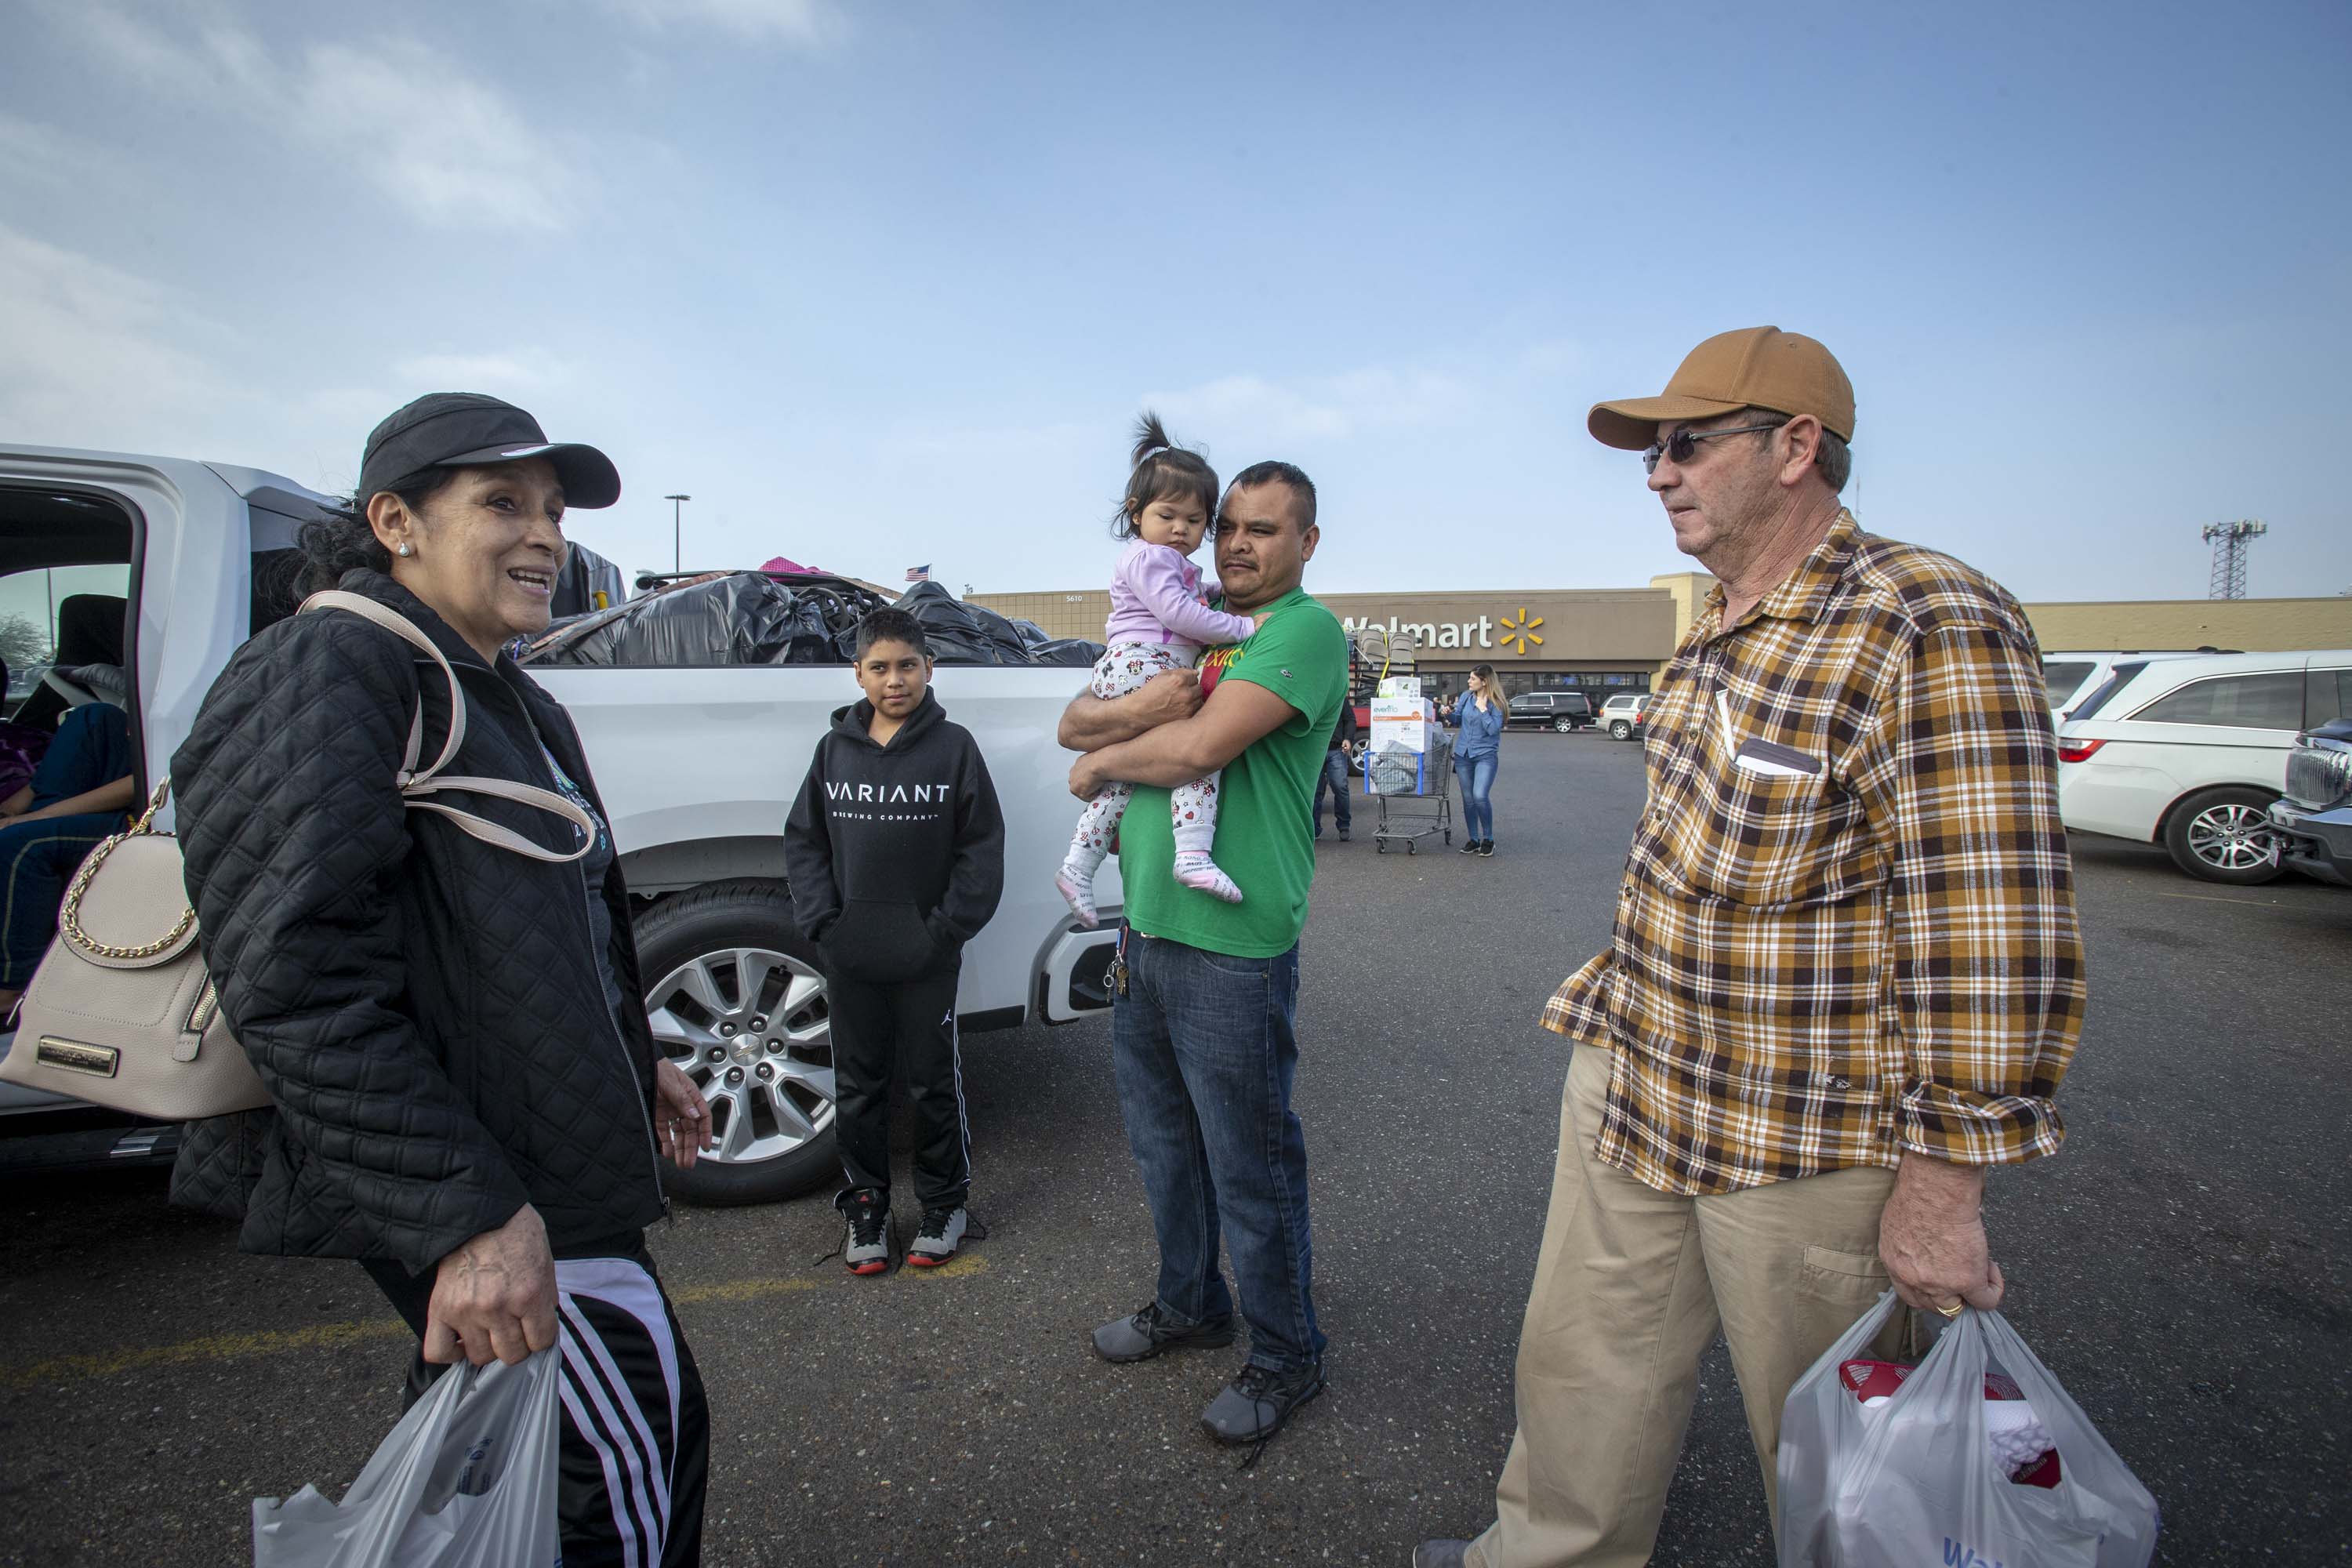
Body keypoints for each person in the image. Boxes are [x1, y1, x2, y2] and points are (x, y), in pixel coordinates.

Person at [1417, 328, 2085, 1568]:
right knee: (1581, 1377)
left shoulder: (1922, 616)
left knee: (1841, 1451)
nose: (1658, 473)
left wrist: (1944, 1186)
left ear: (1794, 449)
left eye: (1686, 444)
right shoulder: (1725, 620)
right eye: (1652, 451)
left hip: (1808, 1134)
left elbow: (1990, 928)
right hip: (1638, 1085)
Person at [170, 393, 716, 1568]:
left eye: (556, 513)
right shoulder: (335, 666)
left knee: (512, 1473)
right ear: (396, 523)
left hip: (542, 1154)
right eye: (503, 504)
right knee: (619, 1466)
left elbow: (522, 930)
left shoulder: (500, 689)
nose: (546, 537)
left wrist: (638, 1059)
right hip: (501, 1183)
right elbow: (297, 981)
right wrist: (465, 1218)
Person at [1058, 461, 1346, 1452]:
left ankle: (1285, 1352)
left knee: (1250, 1165)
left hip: (1234, 947)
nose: (1236, 544)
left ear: (1307, 541)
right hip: (1146, 929)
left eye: (1263, 529)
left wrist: (1101, 760)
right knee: (1164, 1148)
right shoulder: (1189, 615)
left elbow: (1191, 752)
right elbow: (1072, 717)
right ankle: (1189, 1303)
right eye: (1227, 526)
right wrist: (1114, 730)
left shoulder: (1300, 631)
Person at [784, 607, 1006, 1275]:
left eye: (907, 665)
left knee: (932, 1082)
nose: (894, 680)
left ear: (928, 668)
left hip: (926, 957)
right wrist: (826, 925)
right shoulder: (833, 752)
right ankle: (866, 1207)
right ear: (858, 674)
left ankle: (944, 1204)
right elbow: (805, 844)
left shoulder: (955, 747)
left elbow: (981, 850)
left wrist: (942, 933)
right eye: (878, 668)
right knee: (857, 1086)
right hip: (852, 955)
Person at [1055, 415, 1261, 927]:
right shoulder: (1149, 559)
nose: (1180, 530)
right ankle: (1192, 854)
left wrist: (1214, 595)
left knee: (1121, 781)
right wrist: (1241, 628)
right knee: (1194, 752)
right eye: (1168, 515)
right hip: (1143, 666)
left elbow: (1191, 598)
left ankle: (1077, 865)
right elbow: (1178, 615)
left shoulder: (1167, 563)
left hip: (1138, 668)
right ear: (1136, 512)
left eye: (1194, 522)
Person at [0, 701, 138, 1018]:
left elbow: (159, 775)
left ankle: (10, 989)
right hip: (131, 781)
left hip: (156, 813)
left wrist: (35, 820)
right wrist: (14, 810)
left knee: (20, 844)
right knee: (94, 715)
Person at [1452, 664, 1504, 856]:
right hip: (1463, 754)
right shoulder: (1467, 696)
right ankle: (1474, 839)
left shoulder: (1495, 702)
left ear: (1484, 682)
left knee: (1480, 796)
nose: (1469, 681)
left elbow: (1493, 730)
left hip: (1485, 755)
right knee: (1468, 799)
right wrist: (1446, 712)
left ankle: (1488, 839)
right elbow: (1456, 718)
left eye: (1473, 679)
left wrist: (1483, 710)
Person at [1313, 695, 1359, 841]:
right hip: (1315, 751)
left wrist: (1348, 738)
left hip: (1336, 750)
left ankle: (1344, 826)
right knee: (1315, 791)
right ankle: (1313, 829)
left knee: (1340, 787)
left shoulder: (1339, 697)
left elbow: (1350, 720)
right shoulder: (1311, 696)